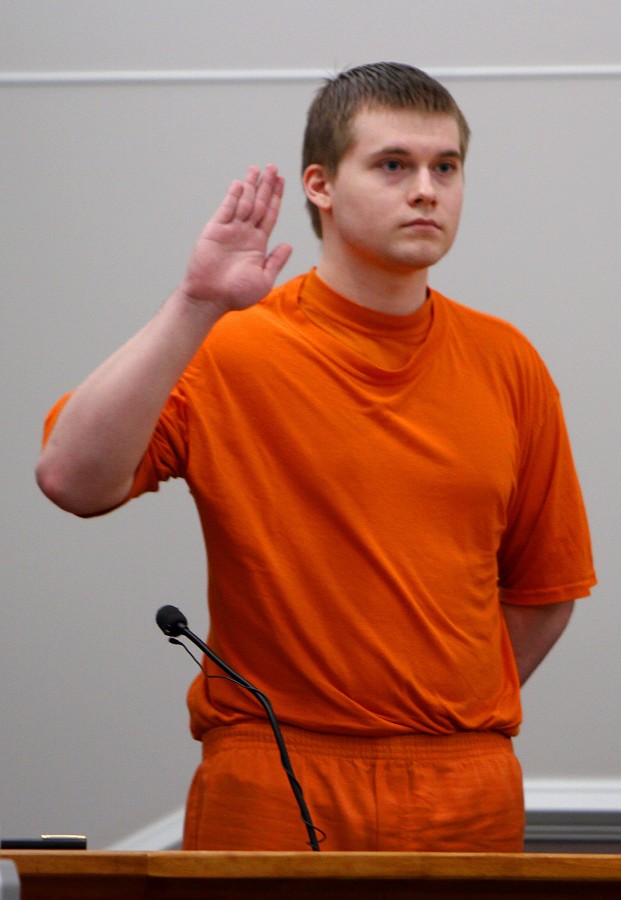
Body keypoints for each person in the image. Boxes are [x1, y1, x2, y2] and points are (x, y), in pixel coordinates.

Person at [36, 62, 596, 853]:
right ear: (321, 186)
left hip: (463, 778)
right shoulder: (229, 343)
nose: (426, 189)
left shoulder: (508, 364)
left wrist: (431, 718)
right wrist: (195, 302)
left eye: (446, 167)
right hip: (273, 772)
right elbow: (70, 479)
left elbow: (543, 591)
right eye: (393, 165)